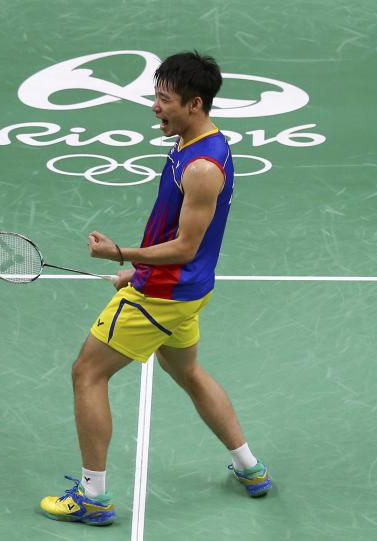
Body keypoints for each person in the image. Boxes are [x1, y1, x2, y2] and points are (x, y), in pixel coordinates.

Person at [40, 51, 272, 526]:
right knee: (188, 373)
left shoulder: (202, 167)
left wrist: (121, 255)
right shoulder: (197, 143)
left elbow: (186, 246)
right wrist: (139, 269)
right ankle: (251, 469)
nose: (154, 107)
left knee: (87, 374)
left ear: (195, 103)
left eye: (164, 99)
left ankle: (93, 497)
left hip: (162, 296)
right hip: (184, 291)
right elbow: (176, 235)